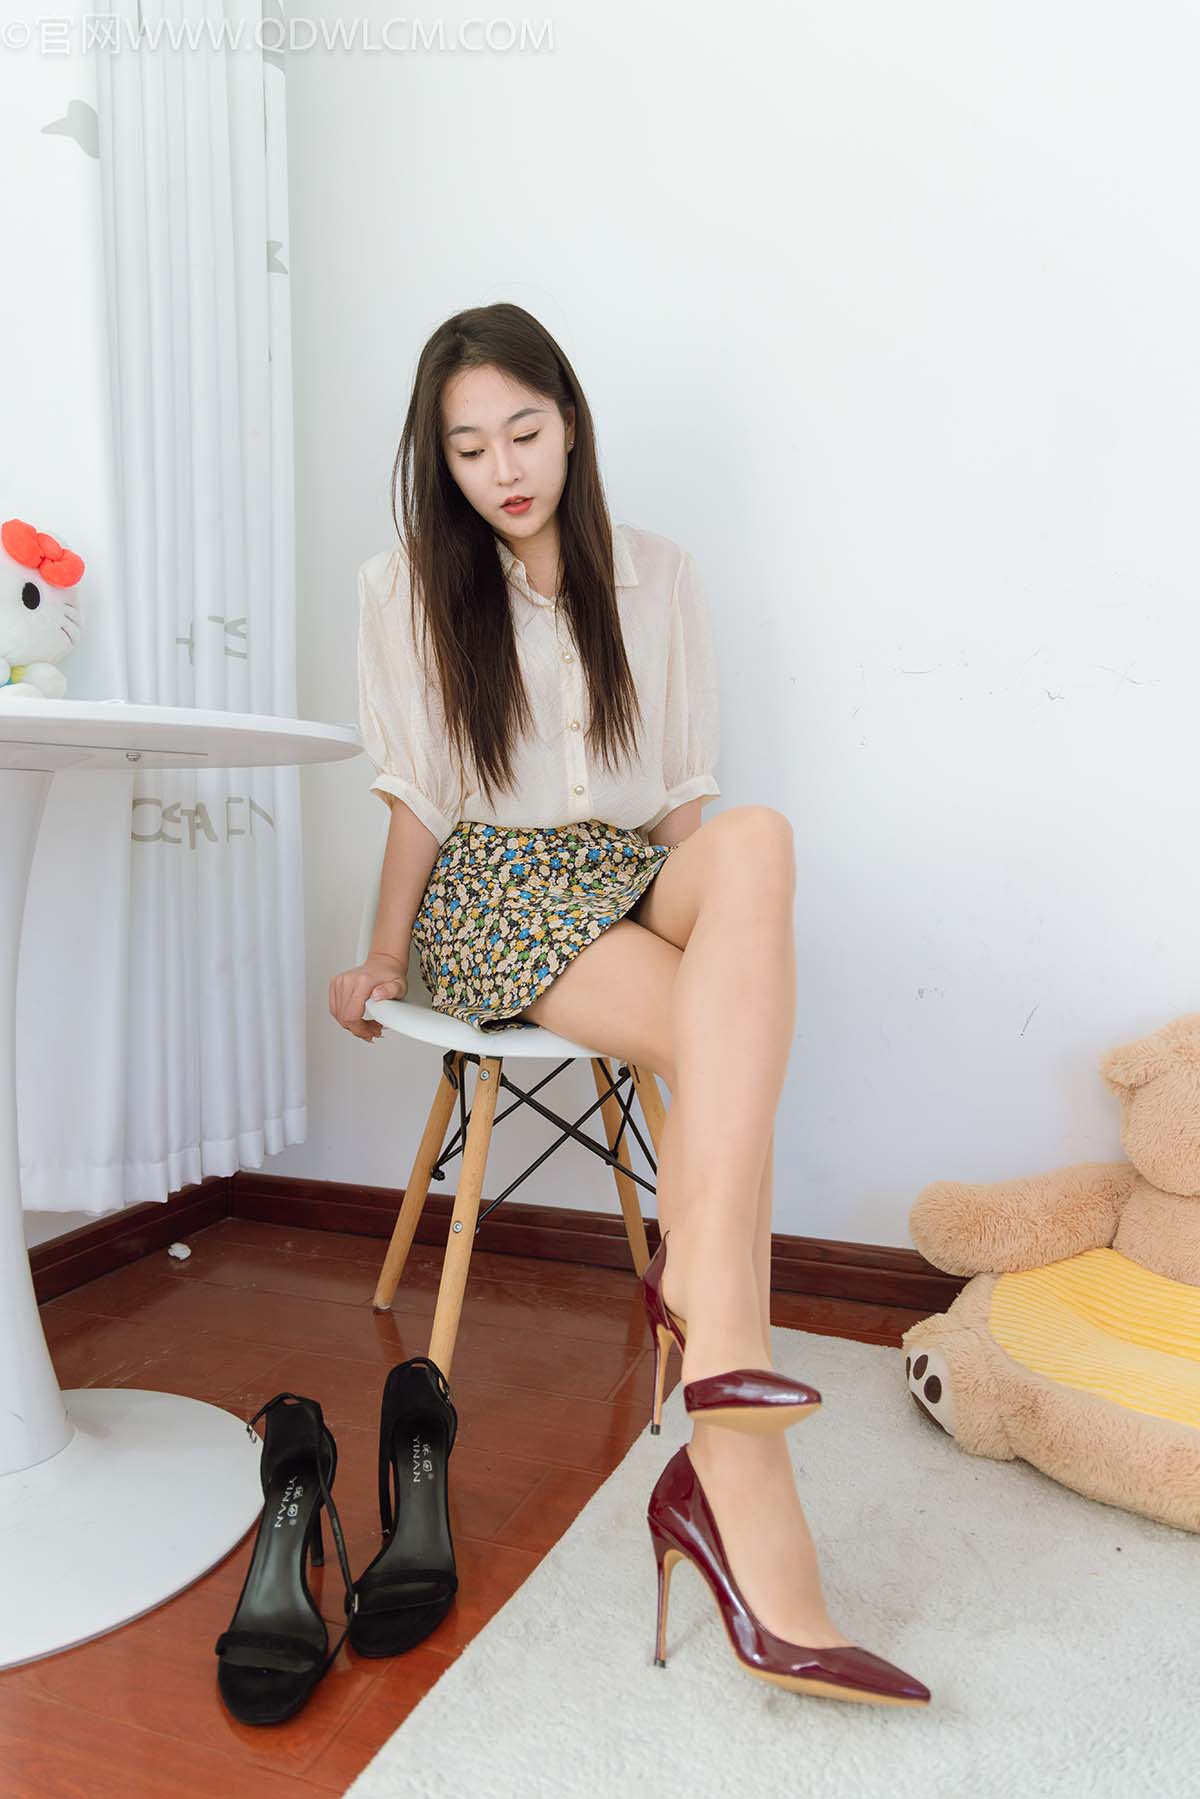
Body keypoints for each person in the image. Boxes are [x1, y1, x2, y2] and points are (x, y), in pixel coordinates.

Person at [330, 302, 929, 1707]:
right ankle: (737, 1437)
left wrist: (724, 940)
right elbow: (418, 797)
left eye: (523, 431)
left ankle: (710, 1342)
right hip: (496, 888)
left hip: (624, 871)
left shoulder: (658, 573)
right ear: (441, 460)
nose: (502, 468)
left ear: (570, 423)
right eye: (468, 447)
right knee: (724, 1048)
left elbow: (681, 805)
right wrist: (379, 951)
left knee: (758, 843)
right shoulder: (405, 585)